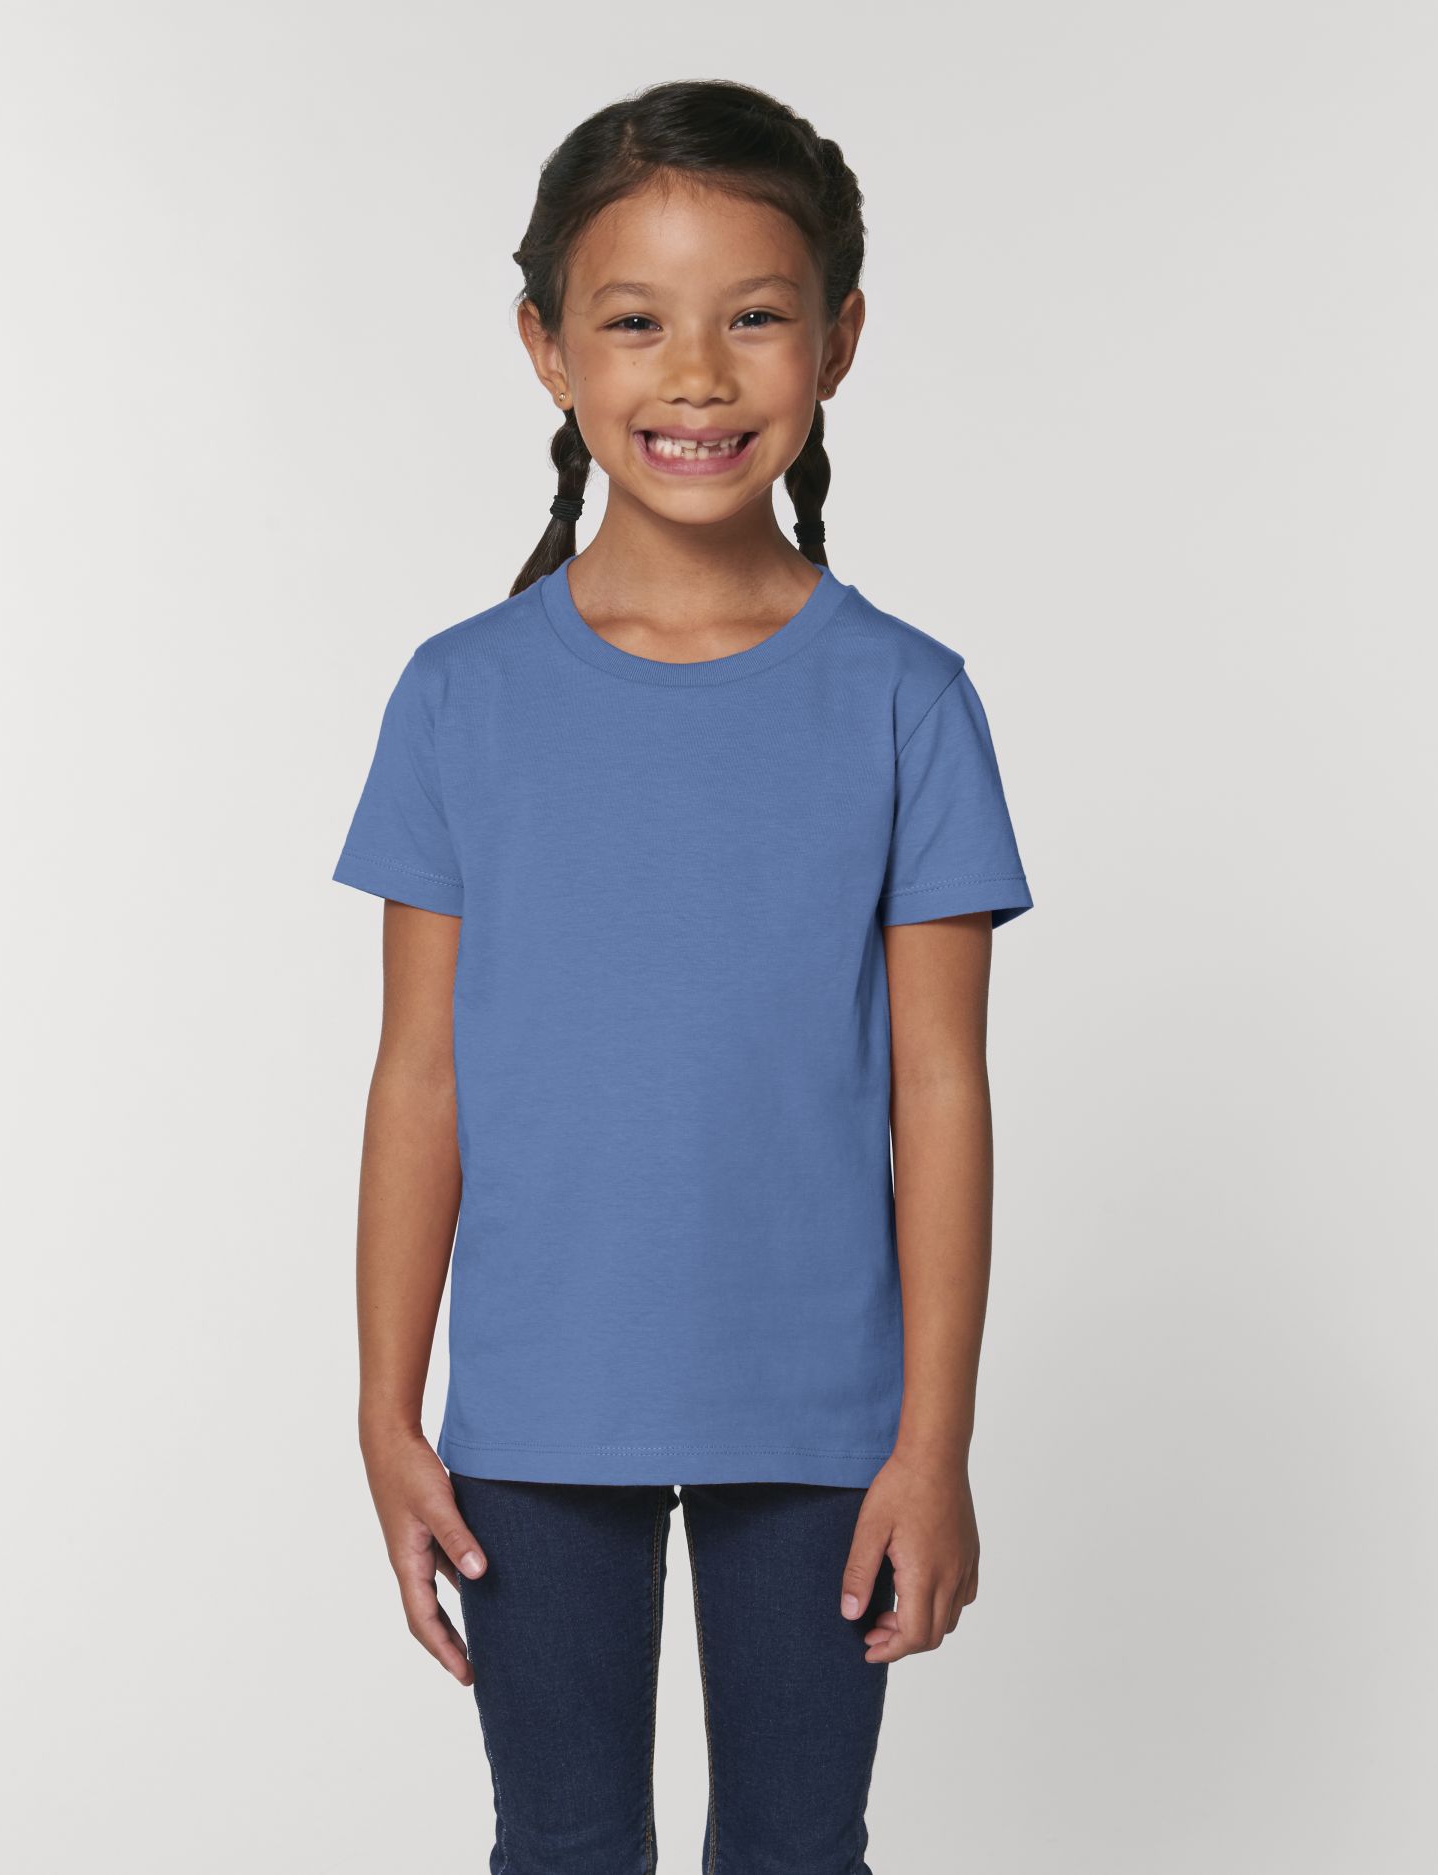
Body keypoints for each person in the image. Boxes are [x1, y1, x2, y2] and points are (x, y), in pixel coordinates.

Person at [332, 76, 1035, 1875]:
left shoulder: (907, 700)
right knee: (561, 1847)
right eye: (636, 321)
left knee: (799, 1850)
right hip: (532, 1410)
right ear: (547, 350)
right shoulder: (461, 695)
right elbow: (422, 1075)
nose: (699, 376)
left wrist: (935, 1442)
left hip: (826, 1418)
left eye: (756, 317)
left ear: (841, 339)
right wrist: (386, 1414)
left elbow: (940, 1088)